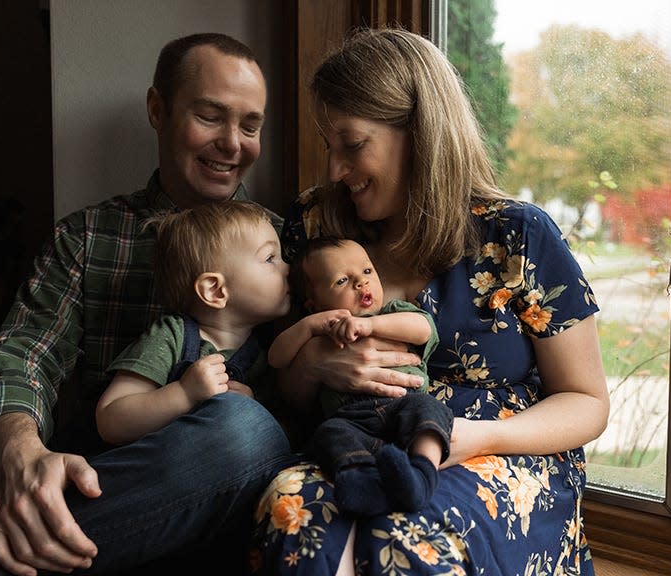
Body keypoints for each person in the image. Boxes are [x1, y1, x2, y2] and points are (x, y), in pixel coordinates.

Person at [250, 27, 610, 575]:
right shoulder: (315, 228)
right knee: (291, 514)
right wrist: (313, 362)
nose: (335, 171)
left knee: (405, 541)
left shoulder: (516, 236)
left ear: (419, 132)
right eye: (330, 148)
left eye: (352, 145)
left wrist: (479, 436)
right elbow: (279, 386)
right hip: (358, 442)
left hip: (500, 454)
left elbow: (587, 401)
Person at [0, 33, 293, 576]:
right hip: (109, 484)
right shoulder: (88, 237)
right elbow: (24, 352)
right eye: (210, 116)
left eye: (250, 125)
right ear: (158, 109)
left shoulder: (284, 247)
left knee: (244, 429)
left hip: (232, 493)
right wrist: (17, 450)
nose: (233, 144)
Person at [268, 236, 452, 516]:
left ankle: (421, 475)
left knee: (431, 411)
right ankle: (363, 484)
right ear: (313, 303)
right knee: (329, 434)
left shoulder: (391, 313)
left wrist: (371, 326)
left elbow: (424, 328)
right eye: (342, 281)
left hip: (403, 402)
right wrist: (308, 327)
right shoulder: (319, 331)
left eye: (367, 271)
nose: (361, 283)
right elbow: (276, 358)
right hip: (351, 419)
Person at [95, 201, 291, 446]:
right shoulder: (171, 337)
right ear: (215, 290)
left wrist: (253, 411)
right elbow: (110, 420)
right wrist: (185, 393)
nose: (288, 269)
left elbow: (286, 436)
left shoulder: (268, 353)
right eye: (271, 258)